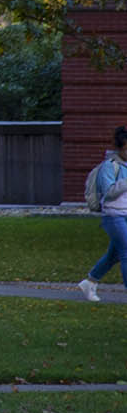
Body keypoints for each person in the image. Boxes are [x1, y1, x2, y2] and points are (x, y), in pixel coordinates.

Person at [82, 126, 127, 302]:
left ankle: (90, 282)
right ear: (120, 148)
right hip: (114, 216)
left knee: (113, 255)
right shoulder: (109, 167)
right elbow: (109, 192)